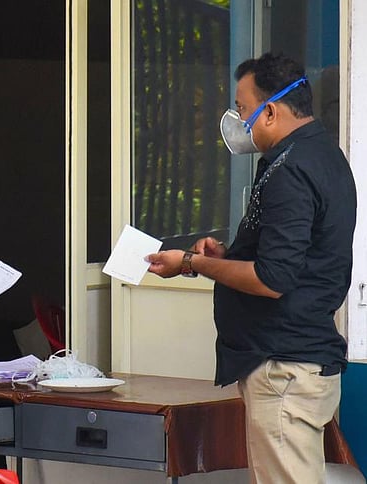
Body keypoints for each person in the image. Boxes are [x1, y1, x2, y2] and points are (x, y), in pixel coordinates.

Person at [146, 53, 355, 483]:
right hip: (296, 361)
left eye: (242, 109)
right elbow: (284, 259)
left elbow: (273, 279)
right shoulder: (319, 156)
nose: (238, 120)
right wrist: (225, 259)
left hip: (285, 367)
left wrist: (192, 261)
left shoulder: (293, 169)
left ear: (272, 110)